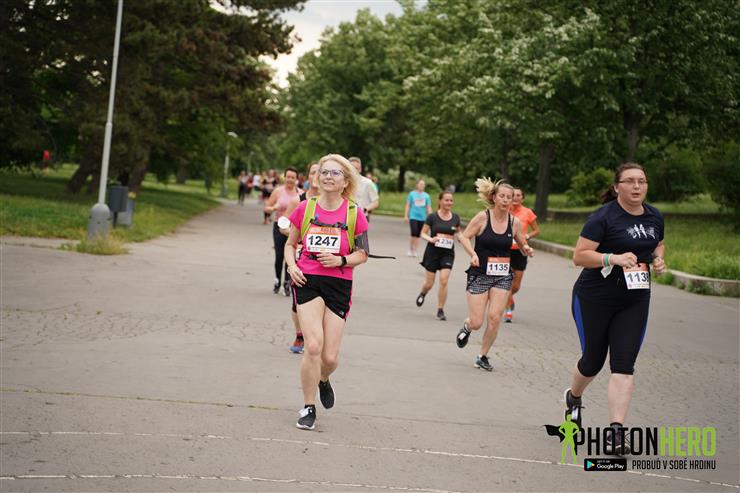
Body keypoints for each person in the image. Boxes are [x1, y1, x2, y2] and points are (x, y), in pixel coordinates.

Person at [563, 162, 665, 455]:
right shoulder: (602, 218)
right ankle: (574, 397)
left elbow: (658, 244)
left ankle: (616, 433)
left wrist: (658, 259)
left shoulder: (655, 216)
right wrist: (612, 258)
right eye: (630, 181)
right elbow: (579, 256)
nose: (637, 186)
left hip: (635, 299)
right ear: (617, 187)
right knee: (592, 361)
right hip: (594, 298)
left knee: (623, 364)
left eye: (642, 181)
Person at [285, 154, 369, 430]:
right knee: (313, 346)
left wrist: (341, 260)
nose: (328, 177)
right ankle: (308, 407)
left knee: (329, 358)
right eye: (324, 172)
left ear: (345, 181)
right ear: (317, 177)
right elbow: (290, 244)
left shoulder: (355, 213)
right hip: (307, 279)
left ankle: (323, 378)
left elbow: (363, 254)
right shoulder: (305, 208)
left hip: (339, 284)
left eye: (335, 173)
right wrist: (292, 266)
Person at [455, 179, 534, 371]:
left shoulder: (514, 223)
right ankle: (467, 327)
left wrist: (526, 249)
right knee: (477, 322)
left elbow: (522, 244)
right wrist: (473, 254)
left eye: (509, 197)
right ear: (494, 198)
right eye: (502, 196)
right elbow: (464, 237)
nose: (506, 200)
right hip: (480, 273)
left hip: (502, 275)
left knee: (495, 317)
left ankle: (482, 356)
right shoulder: (483, 218)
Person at [284, 161, 321, 354]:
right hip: (300, 255)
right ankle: (300, 335)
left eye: (320, 172)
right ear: (308, 176)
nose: (317, 176)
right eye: (313, 172)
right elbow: (285, 225)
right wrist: (294, 236)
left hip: (324, 260)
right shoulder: (297, 201)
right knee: (297, 300)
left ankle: (314, 337)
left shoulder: (333, 203)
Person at [415, 191, 462, 321]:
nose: (449, 203)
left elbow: (459, 233)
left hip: (447, 254)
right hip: (432, 253)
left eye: (451, 200)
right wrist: (431, 239)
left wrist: (461, 237)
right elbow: (422, 233)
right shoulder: (432, 217)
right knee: (429, 283)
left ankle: (440, 310)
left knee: (444, 280)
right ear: (440, 201)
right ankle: (423, 293)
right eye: (446, 200)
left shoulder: (455, 218)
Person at [264, 168, 301, 295]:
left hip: (294, 228)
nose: (290, 179)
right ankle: (277, 280)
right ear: (284, 177)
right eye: (288, 177)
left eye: (293, 177)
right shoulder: (278, 191)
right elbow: (267, 207)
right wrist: (273, 208)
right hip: (279, 226)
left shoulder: (301, 193)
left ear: (296, 179)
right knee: (279, 255)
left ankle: (287, 283)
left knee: (290, 256)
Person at [504, 187, 540, 322]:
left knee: (516, 285)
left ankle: (509, 297)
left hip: (521, 250)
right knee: (506, 281)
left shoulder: (527, 212)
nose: (515, 197)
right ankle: (508, 310)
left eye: (518, 195)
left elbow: (536, 230)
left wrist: (527, 236)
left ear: (522, 198)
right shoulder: (505, 210)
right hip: (506, 250)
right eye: (513, 195)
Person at [404, 180, 432, 257]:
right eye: (420, 184)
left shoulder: (426, 196)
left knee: (419, 234)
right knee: (414, 232)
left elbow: (428, 207)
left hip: (422, 218)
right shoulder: (412, 194)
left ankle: (415, 250)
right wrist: (406, 215)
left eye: (423, 184)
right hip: (413, 216)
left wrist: (431, 217)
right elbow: (408, 205)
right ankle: (410, 249)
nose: (422, 186)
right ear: (417, 185)